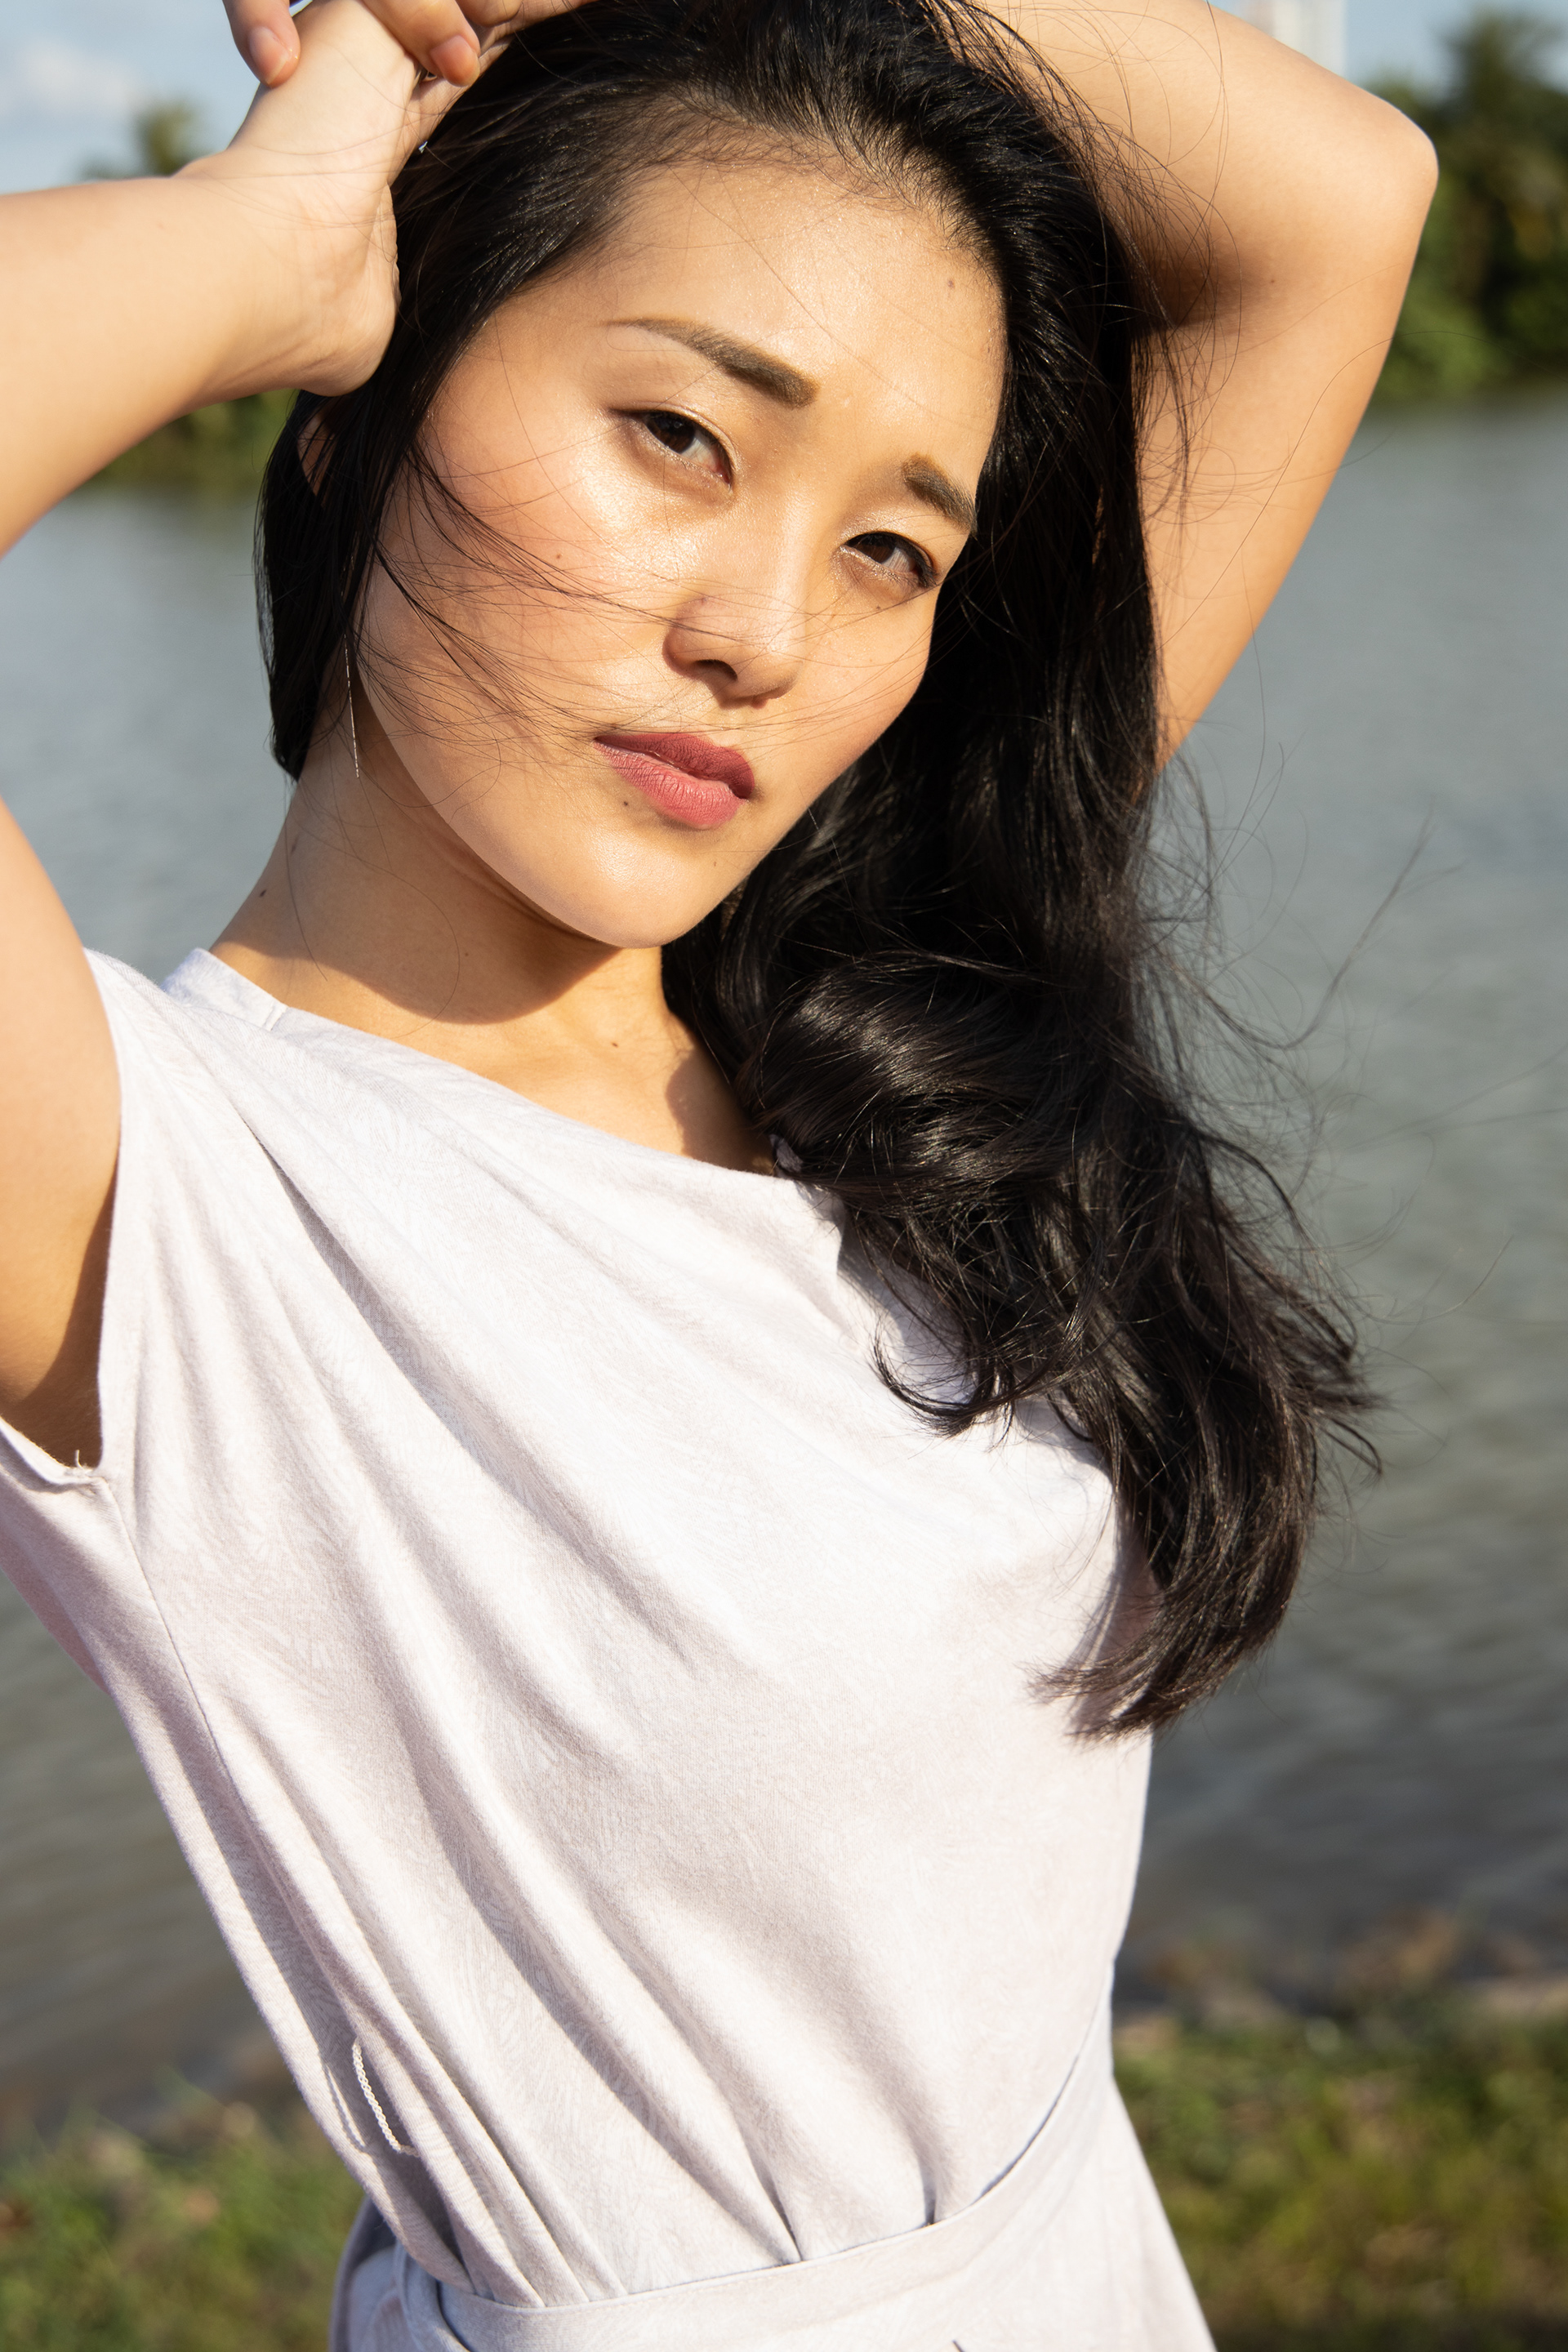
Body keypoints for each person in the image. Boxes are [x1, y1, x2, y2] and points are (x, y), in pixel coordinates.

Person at [0, 0, 1432, 2341]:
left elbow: (1338, 204)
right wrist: (267, 231)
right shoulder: (157, 1199)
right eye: (678, 434)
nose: (764, 635)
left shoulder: (888, 1010)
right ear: (360, 404)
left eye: (890, 548)